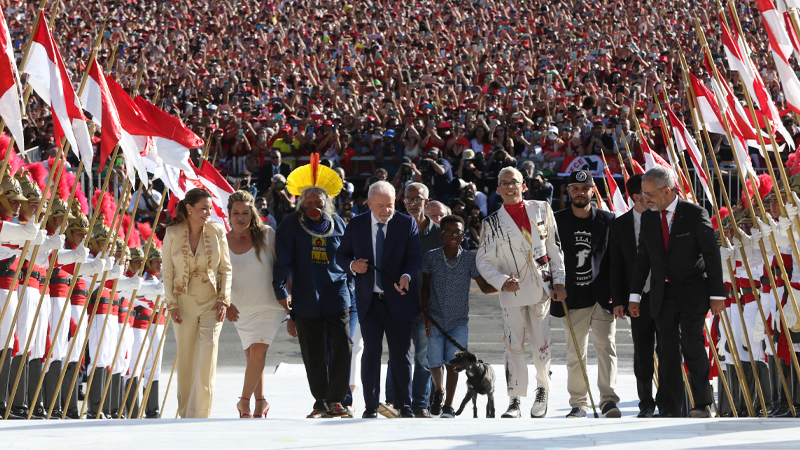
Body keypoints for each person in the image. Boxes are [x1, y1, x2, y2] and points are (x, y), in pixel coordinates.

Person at [629, 166, 726, 418]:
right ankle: (670, 407)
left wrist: (717, 295)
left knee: (693, 345)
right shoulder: (649, 217)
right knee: (667, 350)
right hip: (663, 295)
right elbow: (643, 259)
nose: (645, 199)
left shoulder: (694, 214)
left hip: (693, 292)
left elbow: (711, 255)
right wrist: (634, 295)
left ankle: (702, 404)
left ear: (667, 191)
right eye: (642, 193)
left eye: (649, 194)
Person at [476, 167, 566, 419]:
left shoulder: (542, 209)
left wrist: (559, 281)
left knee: (542, 344)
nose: (509, 187)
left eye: (513, 182)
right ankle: (514, 398)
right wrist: (502, 281)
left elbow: (554, 248)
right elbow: (483, 261)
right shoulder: (490, 223)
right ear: (497, 189)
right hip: (512, 291)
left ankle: (542, 389)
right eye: (503, 183)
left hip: (542, 289)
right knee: (513, 346)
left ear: (523, 185)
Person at [272, 155, 352, 418]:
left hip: (336, 293)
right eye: (309, 203)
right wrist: (281, 291)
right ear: (301, 205)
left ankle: (337, 399)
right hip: (306, 297)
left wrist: (351, 284)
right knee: (313, 351)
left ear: (327, 203)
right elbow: (282, 262)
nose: (314, 206)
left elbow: (348, 257)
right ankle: (321, 401)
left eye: (319, 202)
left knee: (343, 344)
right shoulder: (290, 225)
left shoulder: (338, 223)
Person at [336, 180, 422, 419]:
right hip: (369, 302)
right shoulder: (356, 224)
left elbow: (415, 257)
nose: (386, 210)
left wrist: (407, 276)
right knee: (371, 354)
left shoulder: (406, 224)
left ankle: (405, 405)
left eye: (391, 205)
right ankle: (370, 406)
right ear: (369, 204)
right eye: (381, 205)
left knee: (401, 355)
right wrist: (353, 265)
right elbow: (341, 255)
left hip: (399, 300)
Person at [552, 170, 619, 419]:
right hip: (571, 297)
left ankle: (608, 400)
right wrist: (554, 285)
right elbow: (548, 257)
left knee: (607, 349)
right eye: (575, 189)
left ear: (592, 191)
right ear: (569, 191)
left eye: (585, 188)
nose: (580, 193)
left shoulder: (608, 219)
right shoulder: (556, 220)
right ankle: (579, 403)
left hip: (602, 297)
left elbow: (616, 260)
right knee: (575, 353)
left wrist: (617, 294)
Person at [163, 188, 232, 419]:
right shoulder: (172, 232)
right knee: (186, 357)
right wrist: (171, 304)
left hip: (212, 302)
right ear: (189, 207)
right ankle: (185, 413)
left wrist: (224, 299)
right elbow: (167, 271)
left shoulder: (218, 231)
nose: (208, 213)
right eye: (204, 208)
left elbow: (225, 269)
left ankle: (202, 414)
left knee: (208, 355)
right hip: (183, 302)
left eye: (210, 209)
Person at [422, 215, 494, 418]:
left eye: (458, 232)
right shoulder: (431, 257)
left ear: (464, 236)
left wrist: (504, 284)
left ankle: (449, 405)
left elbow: (484, 287)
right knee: (434, 361)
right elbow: (425, 286)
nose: (453, 236)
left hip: (458, 321)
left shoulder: (470, 259)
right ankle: (439, 390)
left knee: (454, 364)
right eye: (449, 232)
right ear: (441, 235)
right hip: (435, 318)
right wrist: (425, 314)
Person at [226, 190, 286, 418]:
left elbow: (283, 268)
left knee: (258, 354)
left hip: (269, 306)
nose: (240, 217)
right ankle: (261, 402)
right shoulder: (222, 240)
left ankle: (243, 402)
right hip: (239, 310)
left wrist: (290, 298)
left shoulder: (268, 234)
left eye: (245, 213)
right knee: (253, 358)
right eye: (235, 213)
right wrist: (224, 302)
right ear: (229, 214)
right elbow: (219, 276)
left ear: (252, 213)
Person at [382, 182, 440, 418]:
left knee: (424, 358)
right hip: (397, 304)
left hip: (427, 307)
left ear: (427, 202)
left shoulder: (439, 233)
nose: (414, 203)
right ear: (402, 201)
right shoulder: (390, 227)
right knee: (397, 354)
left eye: (418, 199)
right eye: (409, 198)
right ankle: (393, 401)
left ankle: (420, 404)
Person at [609, 174, 662, 418]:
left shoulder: (664, 219)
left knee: (669, 349)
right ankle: (646, 403)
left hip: (665, 295)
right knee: (642, 352)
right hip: (636, 299)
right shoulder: (620, 225)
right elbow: (616, 265)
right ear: (636, 197)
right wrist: (619, 300)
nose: (652, 198)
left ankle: (669, 400)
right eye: (647, 194)